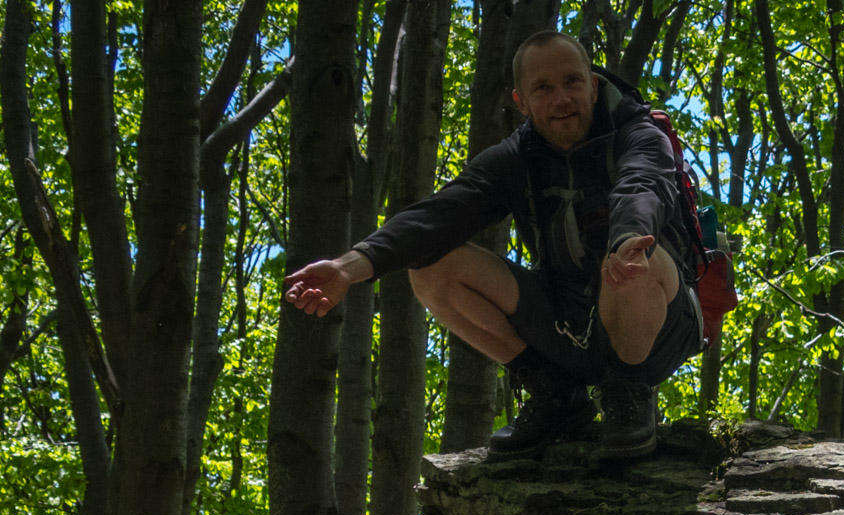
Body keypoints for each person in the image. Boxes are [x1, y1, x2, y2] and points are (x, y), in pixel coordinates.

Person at [282, 30, 703, 462]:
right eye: (544, 88)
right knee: (431, 268)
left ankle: (629, 393)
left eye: (572, 82)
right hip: (568, 322)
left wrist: (628, 240)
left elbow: (642, 186)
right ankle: (555, 394)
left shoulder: (639, 135)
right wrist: (349, 268)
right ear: (521, 101)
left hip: (657, 323)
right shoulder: (514, 159)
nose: (562, 98)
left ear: (593, 85)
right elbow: (438, 215)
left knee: (637, 261)